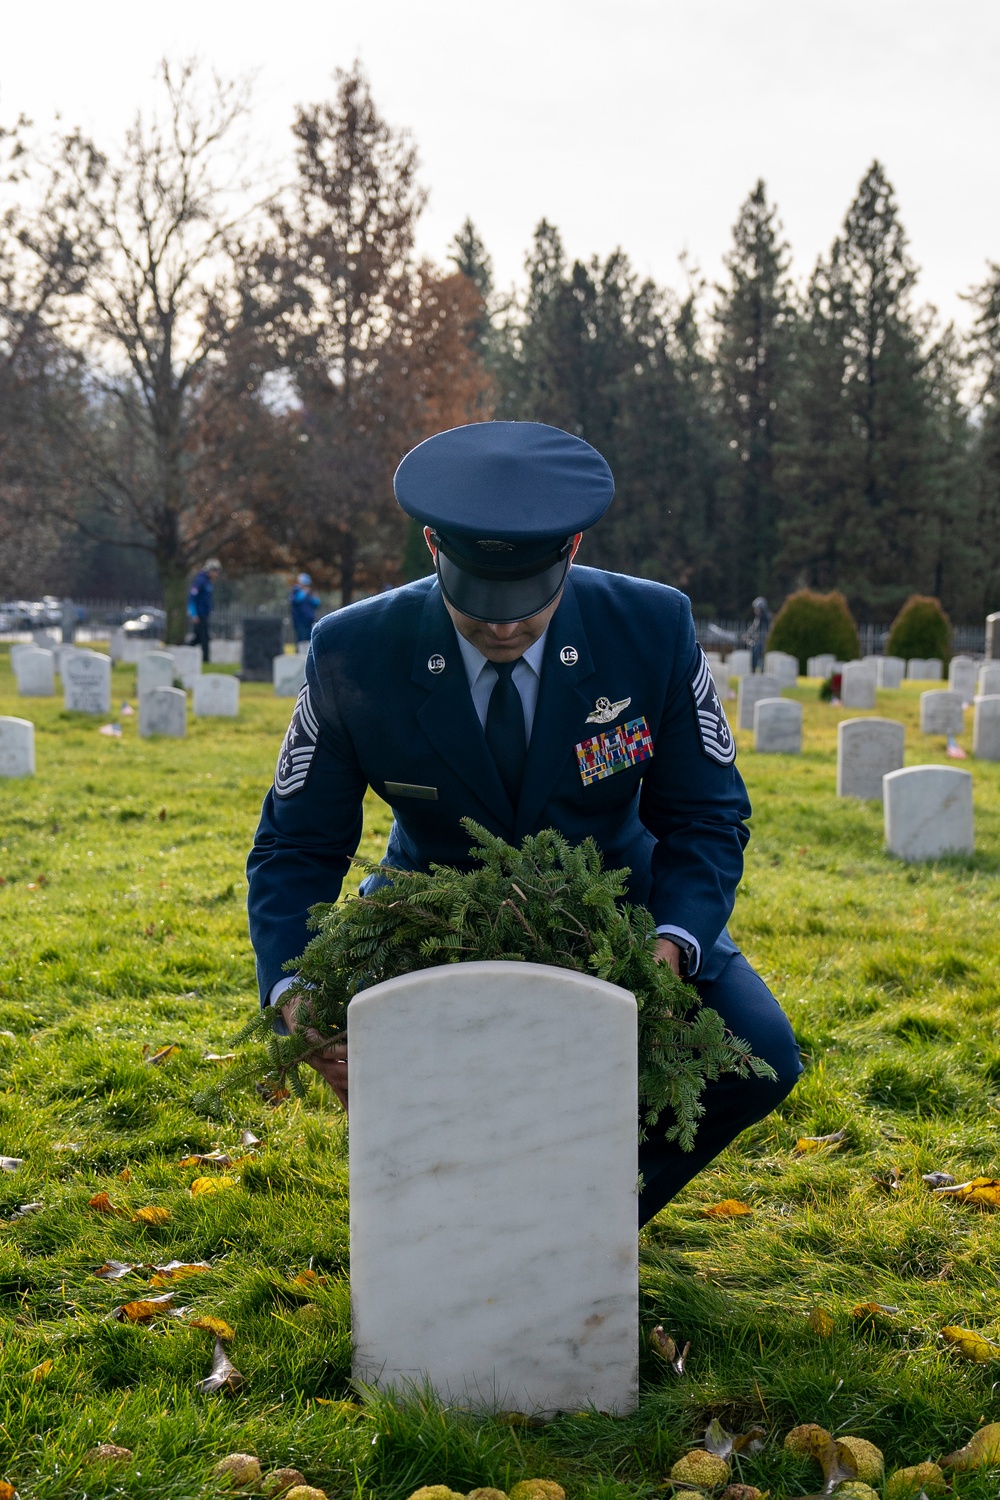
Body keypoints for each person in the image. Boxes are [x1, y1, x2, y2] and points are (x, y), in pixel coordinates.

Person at [247, 421, 801, 1227]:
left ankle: (579, 1219)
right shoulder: (354, 651)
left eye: (527, 602)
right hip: (427, 901)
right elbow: (298, 843)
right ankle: (452, 1222)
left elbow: (706, 815)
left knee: (762, 1058)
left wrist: (672, 944)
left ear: (571, 548)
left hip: (620, 896)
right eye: (478, 602)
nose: (503, 627)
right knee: (418, 1069)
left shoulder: (649, 629)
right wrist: (301, 991)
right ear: (433, 544)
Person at [187, 558, 221, 663]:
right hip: (199, 615)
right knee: (204, 638)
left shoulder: (208, 582)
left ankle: (183, 651)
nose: (217, 574)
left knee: (198, 638)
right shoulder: (200, 581)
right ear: (210, 570)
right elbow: (192, 598)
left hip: (205, 614)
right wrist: (193, 614)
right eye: (216, 571)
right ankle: (206, 660)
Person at [289, 573, 321, 645]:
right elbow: (296, 601)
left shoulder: (310, 592)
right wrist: (303, 593)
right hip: (300, 621)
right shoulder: (295, 591)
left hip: (309, 620)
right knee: (301, 639)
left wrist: (315, 598)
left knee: (309, 640)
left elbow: (316, 604)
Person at [746, 595, 772, 673]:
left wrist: (748, 634)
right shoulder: (766, 616)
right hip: (761, 639)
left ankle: (756, 670)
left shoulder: (762, 617)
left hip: (760, 640)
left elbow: (755, 627)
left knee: (757, 657)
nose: (755, 610)